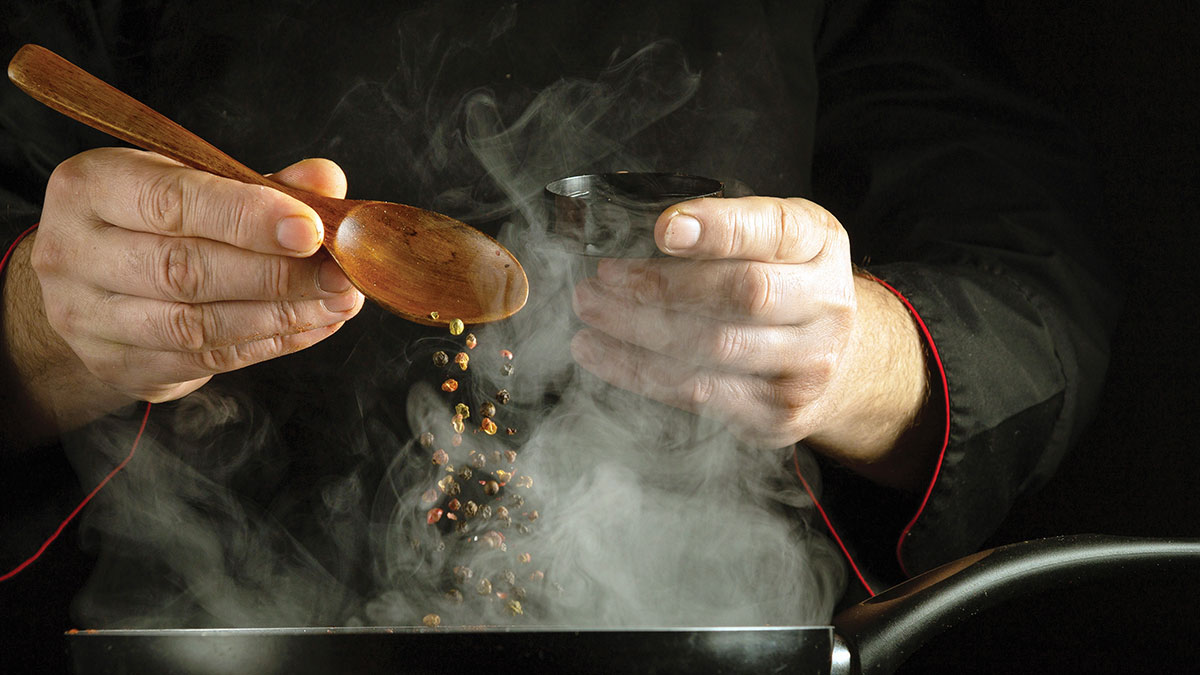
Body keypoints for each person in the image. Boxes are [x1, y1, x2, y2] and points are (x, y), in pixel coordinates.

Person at [0, 0, 1116, 668]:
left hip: (704, 643)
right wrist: (47, 323)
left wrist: (850, 357)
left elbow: (1033, 284)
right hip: (197, 630)